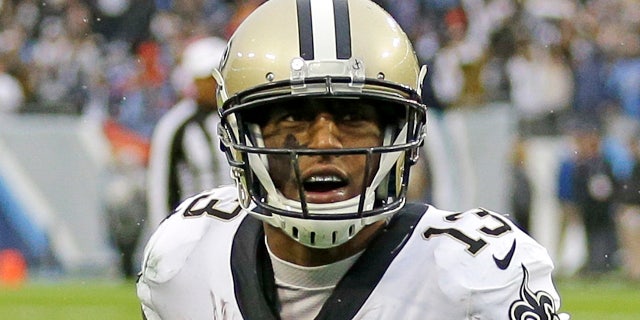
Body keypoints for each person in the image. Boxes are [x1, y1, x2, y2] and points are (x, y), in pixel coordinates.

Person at [137, 1, 569, 319]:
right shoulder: (186, 257)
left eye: (353, 116)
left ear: (399, 133)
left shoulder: (476, 275)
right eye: (294, 115)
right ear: (242, 135)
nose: (324, 141)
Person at [145, 36, 233, 228]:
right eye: (206, 79)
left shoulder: (240, 117)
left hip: (243, 225)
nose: (213, 85)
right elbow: (161, 186)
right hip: (195, 228)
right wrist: (163, 231)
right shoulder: (176, 124)